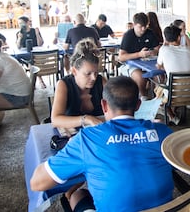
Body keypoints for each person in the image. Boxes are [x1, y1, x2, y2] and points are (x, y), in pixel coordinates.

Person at [30, 76, 174, 212]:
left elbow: (37, 183)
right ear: (138, 105)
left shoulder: (86, 139)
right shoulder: (163, 132)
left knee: (77, 195)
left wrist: (71, 146)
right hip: (167, 208)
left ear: (104, 105)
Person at [51, 38, 107, 129]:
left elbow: (116, 109)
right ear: (74, 71)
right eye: (88, 74)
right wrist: (86, 119)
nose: (94, 78)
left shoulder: (101, 82)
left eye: (96, 73)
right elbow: (55, 120)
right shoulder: (63, 85)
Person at [157, 25, 190, 124]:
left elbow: (159, 66)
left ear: (165, 38)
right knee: (175, 85)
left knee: (158, 87)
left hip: (174, 95)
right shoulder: (188, 50)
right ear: (179, 37)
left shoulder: (163, 49)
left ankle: (172, 116)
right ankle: (172, 111)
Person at [118, 12, 160, 100]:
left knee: (159, 75)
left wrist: (153, 52)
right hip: (131, 64)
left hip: (149, 62)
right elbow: (121, 57)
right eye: (140, 26)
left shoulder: (150, 33)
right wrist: (139, 54)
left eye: (146, 26)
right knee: (140, 76)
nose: (143, 29)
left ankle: (159, 99)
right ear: (134, 25)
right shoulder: (128, 36)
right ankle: (143, 97)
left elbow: (157, 48)